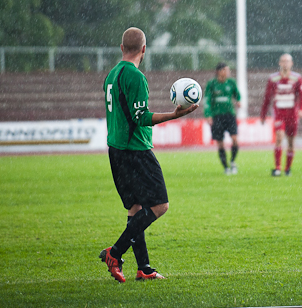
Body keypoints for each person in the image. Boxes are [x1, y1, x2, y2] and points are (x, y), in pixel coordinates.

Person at [100, 27, 198, 282]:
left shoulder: (111, 75)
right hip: (136, 150)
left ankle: (144, 268)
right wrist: (175, 115)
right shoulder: (135, 77)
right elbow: (141, 117)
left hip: (116, 150)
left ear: (122, 48)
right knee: (159, 205)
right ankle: (116, 252)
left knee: (135, 208)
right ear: (144, 49)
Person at [260, 53, 302, 176]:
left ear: (291, 63)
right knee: (279, 138)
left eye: (288, 61)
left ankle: (288, 168)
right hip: (279, 113)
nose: (285, 63)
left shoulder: (297, 78)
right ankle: (277, 168)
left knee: (291, 143)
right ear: (279, 63)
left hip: (292, 114)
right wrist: (263, 114)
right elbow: (267, 98)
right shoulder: (273, 78)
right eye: (283, 61)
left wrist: (301, 109)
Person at [203, 62, 242, 175]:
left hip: (230, 115)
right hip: (217, 116)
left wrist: (238, 101)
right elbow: (207, 100)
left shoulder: (231, 82)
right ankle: (226, 167)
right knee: (220, 143)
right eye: (226, 70)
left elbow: (237, 94)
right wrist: (208, 115)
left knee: (234, 139)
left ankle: (233, 161)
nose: (228, 72)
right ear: (219, 71)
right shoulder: (212, 84)